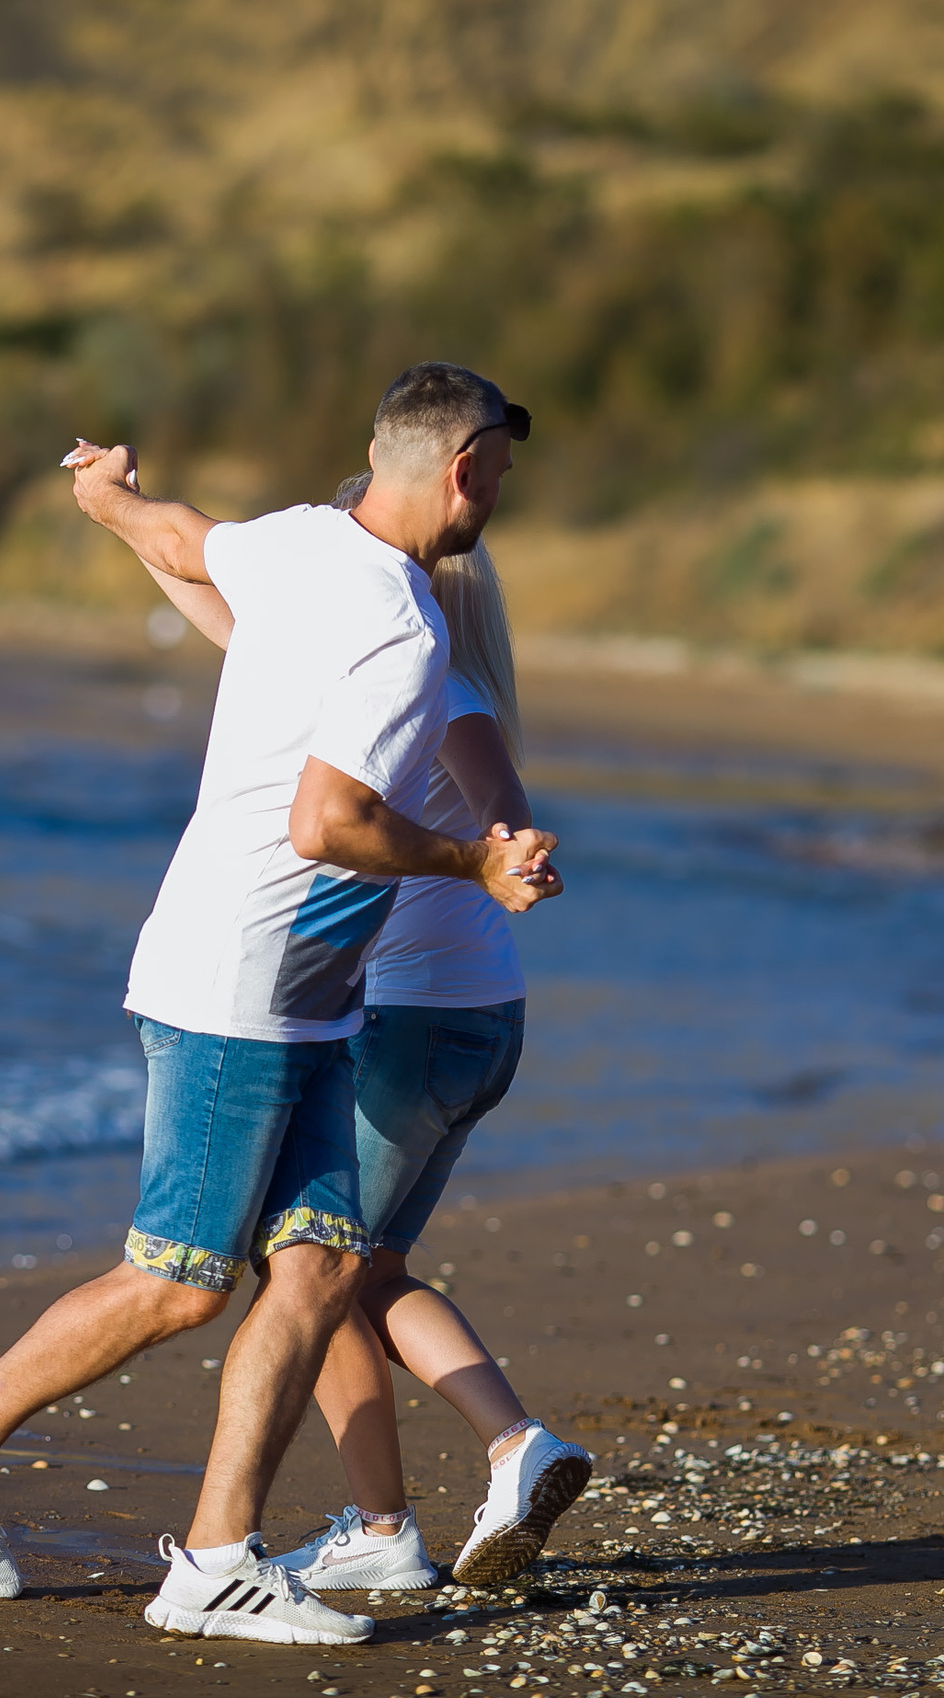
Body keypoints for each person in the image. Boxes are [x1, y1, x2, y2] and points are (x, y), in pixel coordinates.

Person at [0, 362, 558, 1649]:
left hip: (303, 995)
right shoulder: (403, 635)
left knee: (316, 1268)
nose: (501, 497)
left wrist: (111, 502)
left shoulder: (296, 544)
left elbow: (184, 538)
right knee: (178, 1281)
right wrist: (471, 863)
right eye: (501, 473)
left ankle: (217, 1561)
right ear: (462, 467)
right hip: (242, 980)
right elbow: (329, 823)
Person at [139, 511, 596, 1594]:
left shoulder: (440, 688)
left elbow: (503, 815)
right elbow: (227, 614)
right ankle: (395, 1524)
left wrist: (513, 849)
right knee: (355, 1267)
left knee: (320, 1266)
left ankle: (494, 1452)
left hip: (414, 1024)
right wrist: (132, 524)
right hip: (468, 1021)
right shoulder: (371, 667)